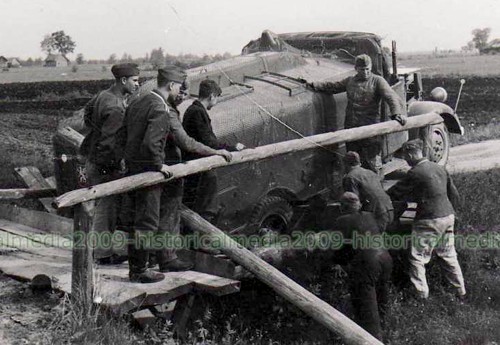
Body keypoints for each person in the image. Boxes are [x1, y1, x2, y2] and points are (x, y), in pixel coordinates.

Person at [122, 66, 232, 283]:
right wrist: (157, 164)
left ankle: (157, 261)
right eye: (178, 88)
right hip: (149, 173)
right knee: (147, 221)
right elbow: (167, 141)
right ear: (171, 85)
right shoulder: (160, 107)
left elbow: (124, 134)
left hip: (134, 169)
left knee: (143, 219)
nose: (180, 94)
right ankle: (139, 271)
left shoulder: (138, 101)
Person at [388, 139, 466, 300]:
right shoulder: (439, 168)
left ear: (410, 154)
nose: (406, 161)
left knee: (417, 258)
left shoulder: (415, 173)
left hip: (429, 219)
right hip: (447, 215)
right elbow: (454, 194)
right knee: (448, 255)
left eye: (405, 157)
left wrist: (383, 195)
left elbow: (396, 192)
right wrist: (453, 213)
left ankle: (421, 296)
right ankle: (460, 291)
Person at [80, 63, 140, 264]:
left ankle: (99, 252)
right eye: (135, 81)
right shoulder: (115, 107)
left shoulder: (102, 96)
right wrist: (113, 165)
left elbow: (88, 115)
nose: (137, 85)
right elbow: (109, 142)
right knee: (107, 209)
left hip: (92, 157)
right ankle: (103, 255)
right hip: (104, 163)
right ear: (123, 81)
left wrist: (96, 130)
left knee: (102, 208)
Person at [308, 54, 406, 174]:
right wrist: (315, 85)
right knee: (353, 162)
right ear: (356, 69)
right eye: (362, 69)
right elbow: (333, 87)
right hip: (352, 129)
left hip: (370, 130)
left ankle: (374, 185)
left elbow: (391, 97)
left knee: (372, 163)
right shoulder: (350, 81)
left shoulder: (377, 81)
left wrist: (396, 113)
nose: (365, 72)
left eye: (368, 69)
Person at [182, 79, 244, 222]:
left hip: (194, 166)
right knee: (202, 209)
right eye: (217, 98)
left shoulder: (192, 109)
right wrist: (232, 147)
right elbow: (209, 141)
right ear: (212, 97)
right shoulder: (198, 112)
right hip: (198, 169)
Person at [334, 192, 393, 341]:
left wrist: (337, 262)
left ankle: (372, 339)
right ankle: (388, 331)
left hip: (367, 263)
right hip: (385, 258)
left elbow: (339, 247)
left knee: (367, 308)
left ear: (343, 207)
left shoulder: (343, 220)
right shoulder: (369, 215)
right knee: (382, 297)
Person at [342, 151, 394, 232]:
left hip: (376, 216)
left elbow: (353, 204)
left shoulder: (350, 177)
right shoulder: (370, 172)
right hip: (389, 210)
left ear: (345, 164)